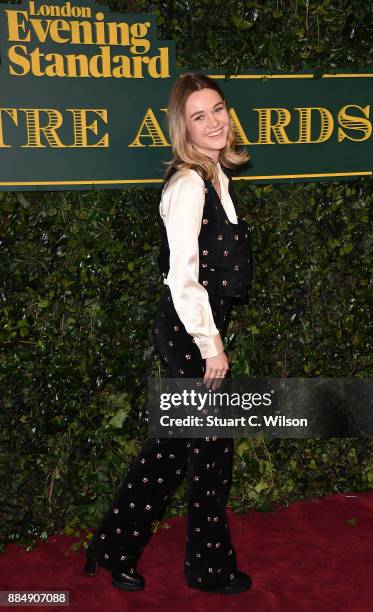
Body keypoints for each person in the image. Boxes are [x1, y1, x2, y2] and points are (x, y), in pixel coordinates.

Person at [83, 71, 252, 595]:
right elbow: (183, 277)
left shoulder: (216, 178)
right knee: (211, 449)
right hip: (187, 330)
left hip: (196, 326)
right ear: (183, 127)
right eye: (200, 116)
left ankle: (113, 550)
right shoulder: (187, 185)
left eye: (219, 109)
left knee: (174, 447)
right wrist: (211, 344)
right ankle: (208, 568)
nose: (215, 122)